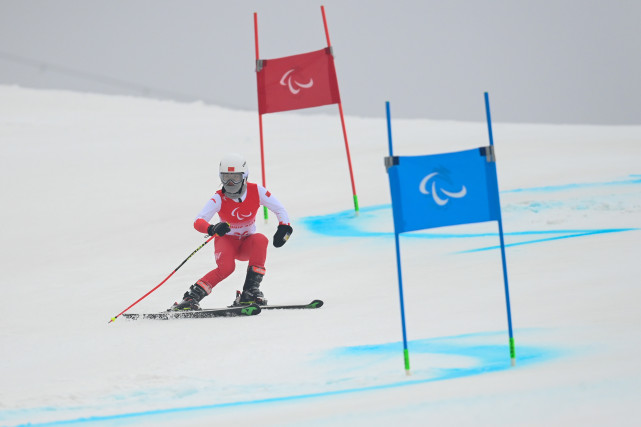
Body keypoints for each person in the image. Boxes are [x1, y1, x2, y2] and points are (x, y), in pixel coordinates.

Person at [169, 153, 292, 311]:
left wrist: (285, 227)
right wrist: (212, 228)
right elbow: (198, 221)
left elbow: (279, 209)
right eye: (226, 177)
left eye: (235, 176)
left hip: (247, 243)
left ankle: (250, 293)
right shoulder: (219, 198)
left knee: (260, 239)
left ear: (244, 176)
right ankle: (191, 297)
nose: (230, 182)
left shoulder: (256, 191)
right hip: (227, 242)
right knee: (227, 268)